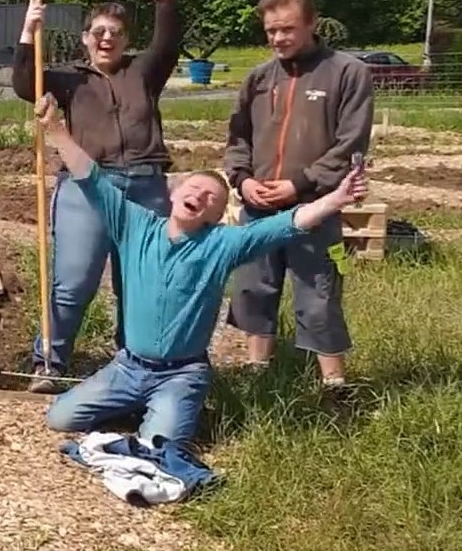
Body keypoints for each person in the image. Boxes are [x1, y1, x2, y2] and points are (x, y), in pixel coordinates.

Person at [35, 93, 367, 453]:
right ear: (174, 193)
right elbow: (91, 177)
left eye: (212, 199)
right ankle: (139, 404)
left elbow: (287, 224)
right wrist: (56, 129)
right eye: (195, 188)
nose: (201, 196)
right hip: (128, 367)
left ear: (216, 216)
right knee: (60, 418)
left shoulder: (222, 244)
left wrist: (335, 199)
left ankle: (171, 407)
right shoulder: (134, 224)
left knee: (159, 446)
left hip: (180, 373)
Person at [13, 0, 190, 392]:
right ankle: (49, 362)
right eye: (98, 32)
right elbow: (24, 84)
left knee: (139, 282)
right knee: (73, 283)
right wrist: (27, 32)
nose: (107, 38)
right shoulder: (69, 79)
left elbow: (168, 40)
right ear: (85, 39)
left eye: (116, 32)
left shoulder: (143, 72)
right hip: (87, 188)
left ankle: (135, 364)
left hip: (146, 188)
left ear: (126, 40)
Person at [223, 0, 375, 387]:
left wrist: (300, 184)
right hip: (258, 208)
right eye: (271, 31)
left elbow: (351, 144)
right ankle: (257, 374)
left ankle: (334, 385)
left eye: (287, 29)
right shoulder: (258, 79)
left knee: (319, 294)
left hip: (315, 207)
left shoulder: (347, 73)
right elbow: (238, 139)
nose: (278, 38)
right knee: (253, 289)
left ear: (312, 24)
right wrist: (243, 180)